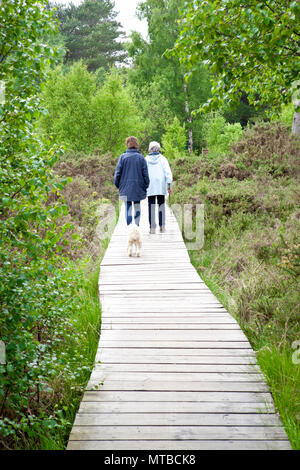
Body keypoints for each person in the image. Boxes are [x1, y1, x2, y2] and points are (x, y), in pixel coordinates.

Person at [114, 136, 150, 226]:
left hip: (125, 187)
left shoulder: (122, 157)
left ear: (127, 144)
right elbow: (145, 174)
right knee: (137, 206)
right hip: (138, 187)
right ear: (136, 144)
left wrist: (118, 185)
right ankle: (136, 227)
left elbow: (117, 173)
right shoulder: (141, 158)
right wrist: (146, 185)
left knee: (128, 207)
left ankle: (129, 229)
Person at [145, 141, 173, 233]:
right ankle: (162, 226)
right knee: (161, 205)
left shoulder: (146, 159)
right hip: (161, 186)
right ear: (159, 149)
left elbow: (143, 173)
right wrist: (169, 186)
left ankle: (152, 228)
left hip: (150, 186)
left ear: (149, 149)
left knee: (151, 205)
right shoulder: (163, 159)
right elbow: (168, 174)